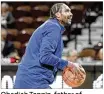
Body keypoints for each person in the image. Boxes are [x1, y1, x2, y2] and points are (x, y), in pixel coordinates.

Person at [14, 3, 83, 89]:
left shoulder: (50, 26)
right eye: (67, 11)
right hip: (33, 81)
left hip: (29, 80)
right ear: (58, 14)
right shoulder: (53, 27)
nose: (71, 13)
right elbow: (45, 57)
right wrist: (69, 64)